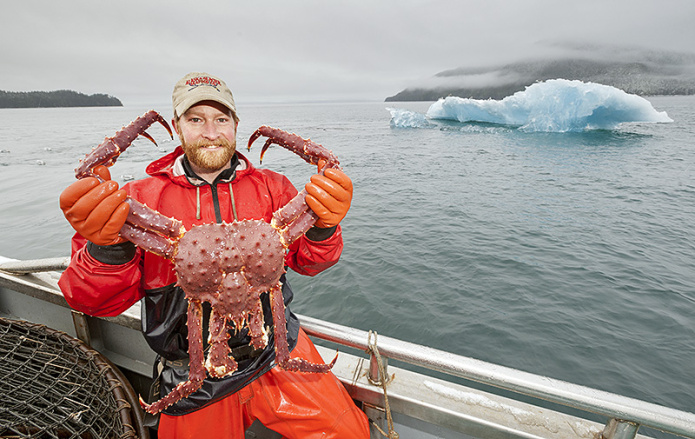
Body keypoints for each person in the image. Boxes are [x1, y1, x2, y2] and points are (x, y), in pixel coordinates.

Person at [58, 72, 370, 439]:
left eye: (221, 119)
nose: (210, 131)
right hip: (195, 372)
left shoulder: (273, 188)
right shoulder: (135, 203)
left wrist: (324, 227)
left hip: (276, 348)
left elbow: (313, 261)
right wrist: (108, 248)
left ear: (236, 125)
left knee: (351, 433)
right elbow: (91, 301)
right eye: (196, 120)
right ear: (177, 127)